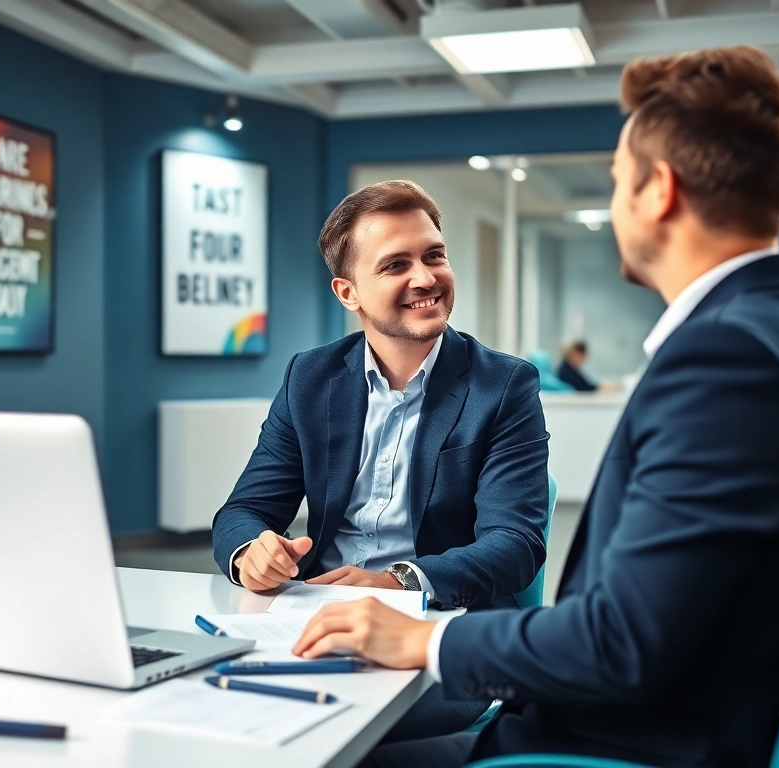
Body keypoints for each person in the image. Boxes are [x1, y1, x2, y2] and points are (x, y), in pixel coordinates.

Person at [291, 46, 779, 768]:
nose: (614, 201)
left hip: (613, 748)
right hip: (641, 723)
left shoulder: (729, 361)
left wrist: (420, 639)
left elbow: (620, 643)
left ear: (657, 190)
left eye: (617, 181)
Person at [211, 179, 550, 738]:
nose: (425, 278)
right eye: (396, 265)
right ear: (349, 293)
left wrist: (398, 580)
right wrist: (253, 551)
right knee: (224, 706)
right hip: (320, 615)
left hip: (442, 624)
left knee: (323, 726)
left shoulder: (504, 384)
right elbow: (243, 509)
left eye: (434, 255)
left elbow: (515, 546)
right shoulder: (310, 377)